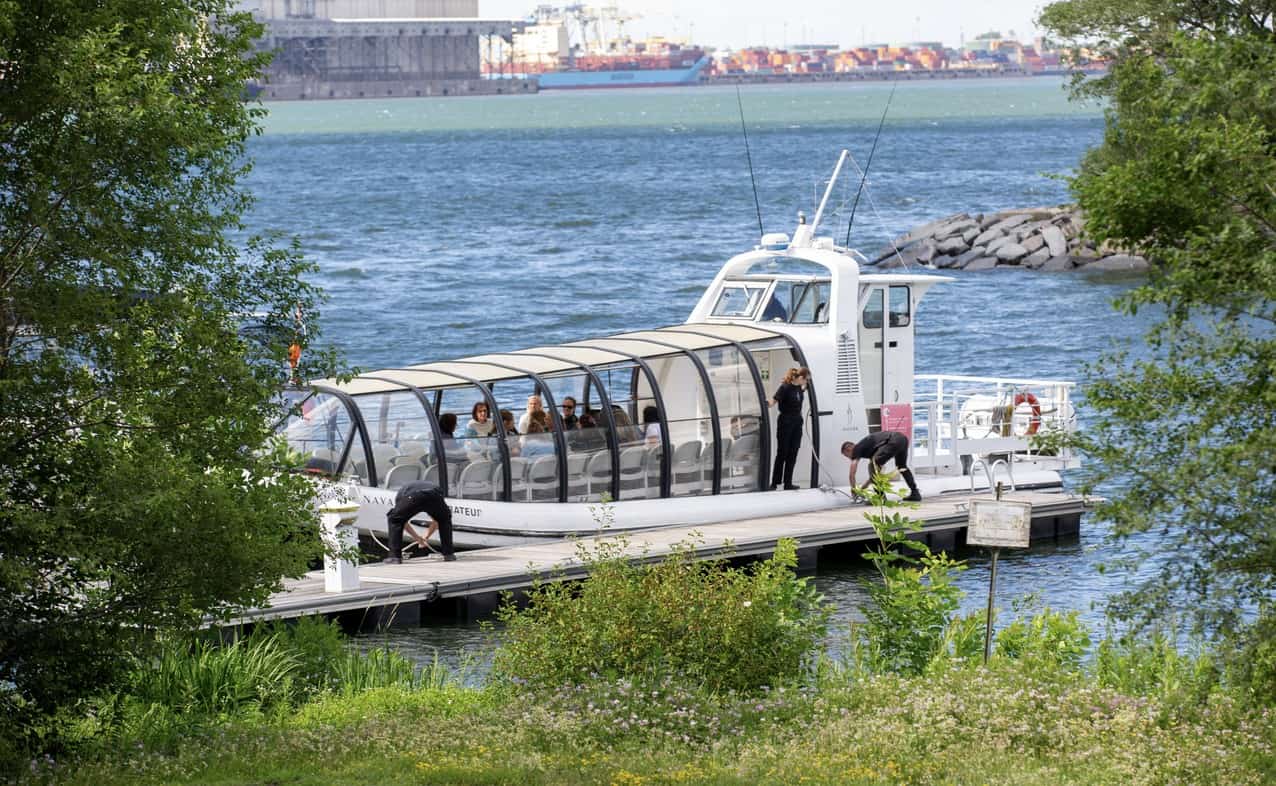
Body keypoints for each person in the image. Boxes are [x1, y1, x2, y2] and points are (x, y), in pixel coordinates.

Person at [383, 480, 457, 563]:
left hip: (414, 495)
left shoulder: (401, 496)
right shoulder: (429, 486)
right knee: (444, 520)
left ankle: (394, 557)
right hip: (435, 494)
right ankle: (449, 554)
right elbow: (436, 520)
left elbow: (402, 522)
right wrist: (424, 537)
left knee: (394, 519)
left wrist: (418, 539)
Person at [842, 430, 922, 502]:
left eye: (847, 455)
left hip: (893, 440)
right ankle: (915, 493)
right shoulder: (868, 449)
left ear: (849, 448)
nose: (849, 458)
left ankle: (880, 498)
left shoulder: (857, 448)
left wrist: (853, 490)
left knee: (872, 466)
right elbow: (875, 474)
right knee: (902, 467)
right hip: (902, 439)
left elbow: (852, 474)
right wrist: (863, 488)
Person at [769, 367, 810, 490]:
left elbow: (802, 390)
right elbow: (774, 400)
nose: (807, 382)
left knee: (793, 452)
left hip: (797, 423)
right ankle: (774, 483)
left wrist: (805, 387)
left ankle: (788, 482)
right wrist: (766, 403)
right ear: (801, 378)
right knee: (782, 452)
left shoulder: (799, 388)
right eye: (806, 380)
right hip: (785, 422)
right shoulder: (785, 387)